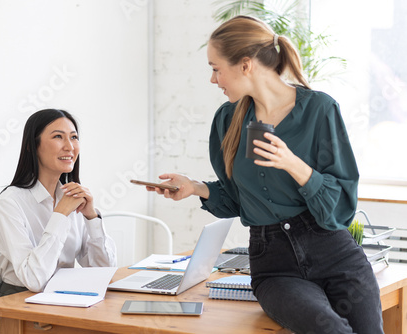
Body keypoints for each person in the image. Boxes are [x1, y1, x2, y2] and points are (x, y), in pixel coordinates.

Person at [150, 16, 383, 334]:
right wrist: (196, 188)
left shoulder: (320, 110)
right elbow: (238, 198)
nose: (213, 79)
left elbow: (342, 207)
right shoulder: (228, 120)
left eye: (216, 68)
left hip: (335, 255)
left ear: (245, 65)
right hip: (275, 267)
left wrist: (293, 164)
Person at [0, 109, 116, 333]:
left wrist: (92, 218)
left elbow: (103, 271)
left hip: (61, 303)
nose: (69, 146)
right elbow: (34, 280)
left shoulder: (72, 198)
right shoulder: (10, 202)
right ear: (32, 146)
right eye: (57, 136)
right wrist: (60, 216)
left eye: (73, 137)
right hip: (14, 310)